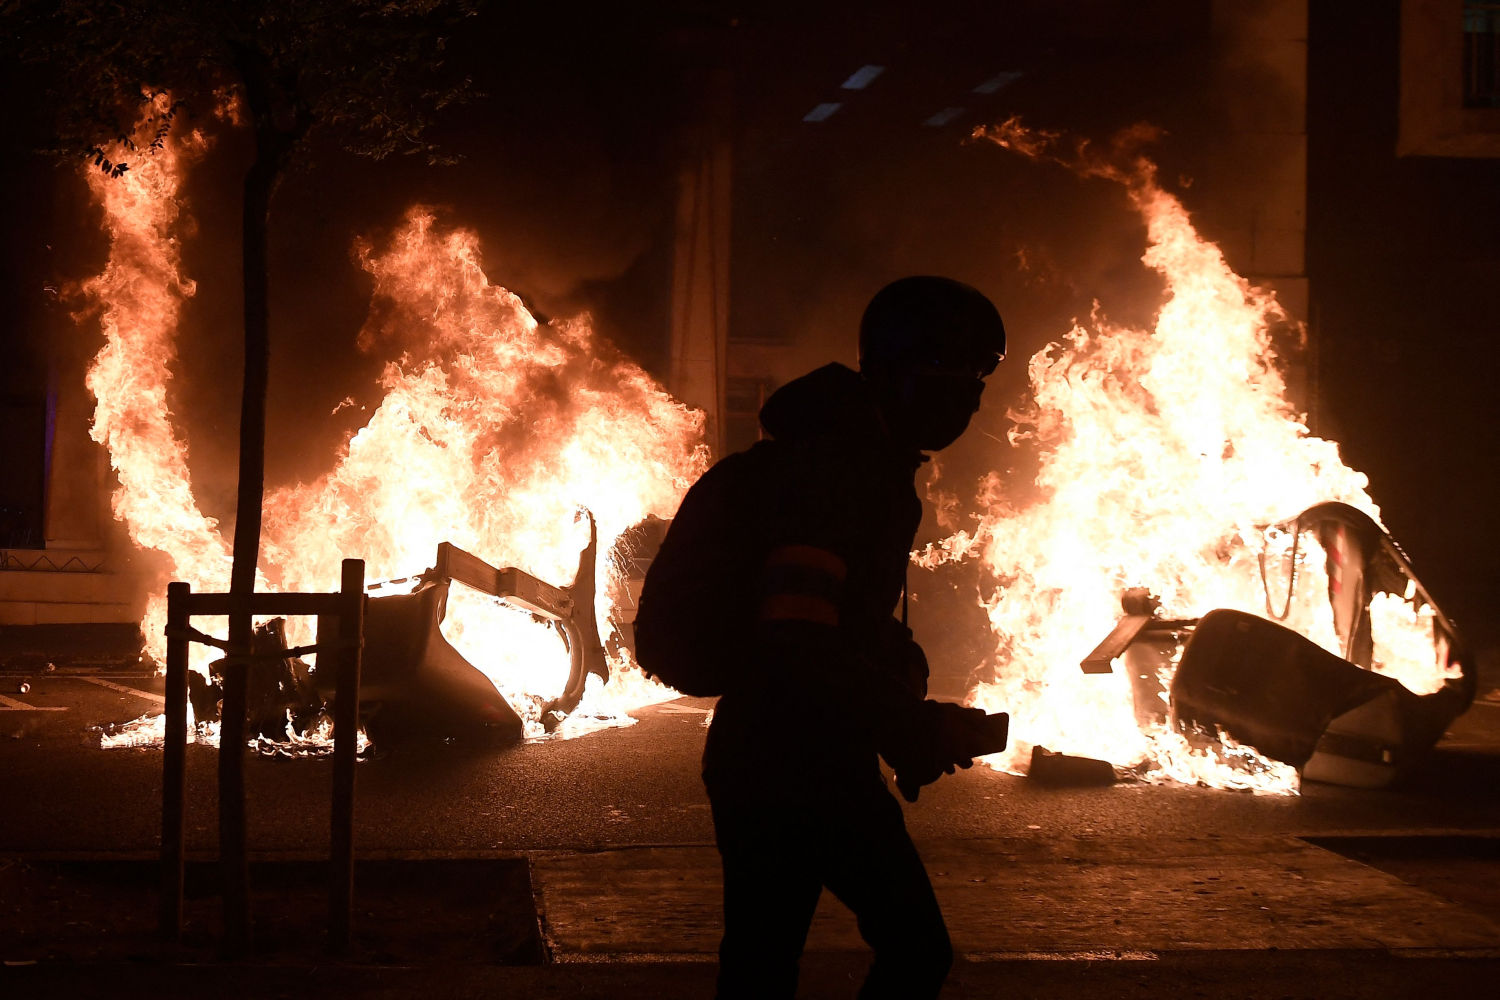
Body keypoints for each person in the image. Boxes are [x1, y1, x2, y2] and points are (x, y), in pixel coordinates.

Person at [638, 276, 1007, 999]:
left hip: (773, 755)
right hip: (793, 762)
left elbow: (830, 623)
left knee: (760, 967)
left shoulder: (853, 462)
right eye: (951, 375)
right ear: (898, 374)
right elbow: (796, 637)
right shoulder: (838, 473)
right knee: (911, 950)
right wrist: (909, 726)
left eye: (975, 381)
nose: (966, 398)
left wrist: (898, 669)